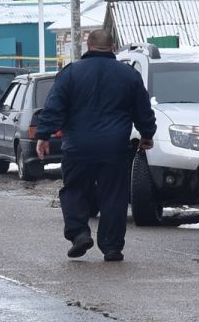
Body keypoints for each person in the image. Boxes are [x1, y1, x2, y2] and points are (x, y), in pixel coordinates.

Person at [32, 28, 155, 262]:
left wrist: (44, 135)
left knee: (74, 189)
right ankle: (112, 247)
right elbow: (143, 110)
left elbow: (54, 106)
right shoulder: (128, 75)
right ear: (112, 48)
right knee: (114, 196)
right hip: (115, 148)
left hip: (77, 146)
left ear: (88, 47)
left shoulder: (70, 73)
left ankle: (79, 233)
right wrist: (147, 134)